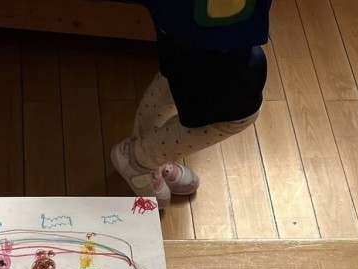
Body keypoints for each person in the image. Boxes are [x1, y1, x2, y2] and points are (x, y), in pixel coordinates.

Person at [112, 1, 272, 210]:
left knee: (176, 70)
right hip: (213, 21)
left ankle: (146, 159)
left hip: (187, 16)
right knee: (238, 113)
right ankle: (139, 159)